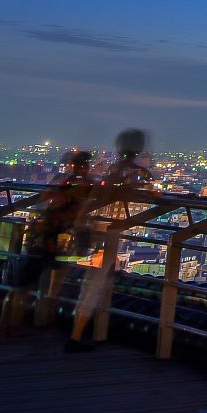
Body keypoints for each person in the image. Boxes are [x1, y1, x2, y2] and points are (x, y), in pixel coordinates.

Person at [67, 129, 154, 349]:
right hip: (108, 234)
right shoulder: (134, 172)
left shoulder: (109, 167)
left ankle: (78, 331)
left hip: (93, 228)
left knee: (90, 284)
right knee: (94, 286)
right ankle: (76, 337)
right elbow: (150, 193)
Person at [0, 149, 92, 339]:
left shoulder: (59, 180)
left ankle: (7, 324)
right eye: (84, 165)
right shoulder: (79, 185)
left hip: (38, 234)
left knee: (20, 285)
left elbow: (42, 201)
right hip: (52, 238)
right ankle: (30, 322)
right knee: (37, 283)